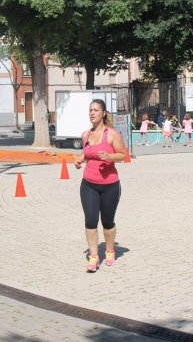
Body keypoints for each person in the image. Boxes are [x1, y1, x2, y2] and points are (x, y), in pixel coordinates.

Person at [74, 99, 126, 273]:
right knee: (90, 221)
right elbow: (87, 153)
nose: (92, 113)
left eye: (96, 110)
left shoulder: (111, 134)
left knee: (107, 221)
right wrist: (80, 159)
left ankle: (110, 250)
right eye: (90, 110)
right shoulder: (85, 135)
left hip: (110, 185)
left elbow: (123, 155)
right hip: (88, 184)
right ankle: (94, 256)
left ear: (103, 113)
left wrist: (110, 157)